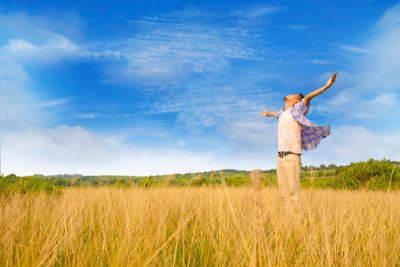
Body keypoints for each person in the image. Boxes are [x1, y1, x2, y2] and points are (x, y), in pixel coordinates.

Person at [260, 72, 337, 209]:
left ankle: (297, 224)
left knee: (294, 194)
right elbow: (274, 113)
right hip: (280, 158)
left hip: (292, 157)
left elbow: (308, 97)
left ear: (296, 101)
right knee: (284, 195)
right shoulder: (282, 113)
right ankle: (288, 225)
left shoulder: (297, 110)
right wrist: (267, 114)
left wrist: (326, 86)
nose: (289, 94)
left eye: (293, 94)